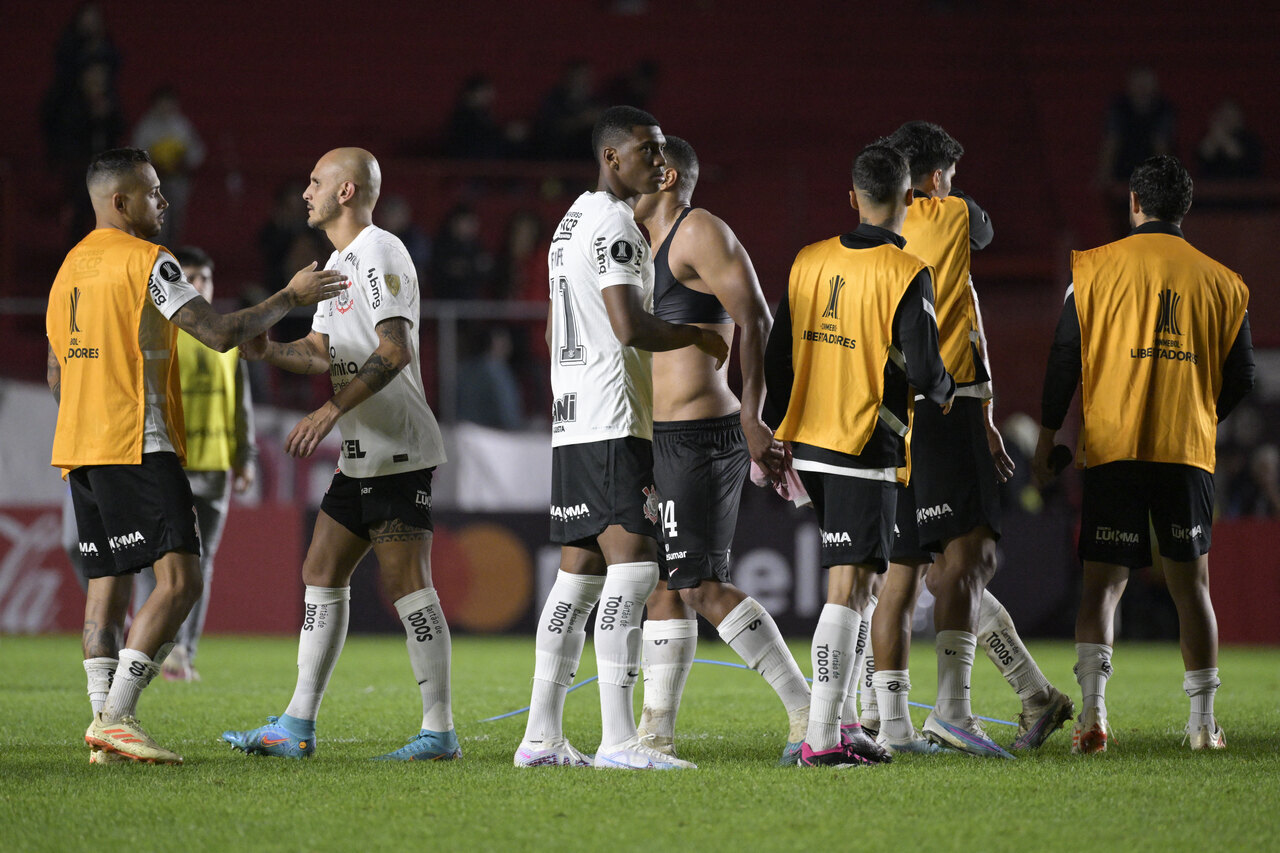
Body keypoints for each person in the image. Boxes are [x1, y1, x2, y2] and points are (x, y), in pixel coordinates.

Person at [46, 147, 346, 764]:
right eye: (153, 191)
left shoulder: (68, 269)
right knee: (180, 580)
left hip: (81, 447)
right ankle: (118, 716)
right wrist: (291, 295)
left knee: (107, 588)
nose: (163, 201)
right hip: (138, 440)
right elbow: (220, 334)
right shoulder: (151, 262)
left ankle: (103, 728)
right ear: (120, 202)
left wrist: (89, 411)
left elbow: (55, 370)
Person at [221, 148, 460, 761]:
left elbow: (395, 349)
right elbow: (322, 353)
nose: (305, 192)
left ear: (347, 191)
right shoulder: (337, 263)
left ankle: (439, 731)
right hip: (362, 451)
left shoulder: (380, 252)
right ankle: (296, 726)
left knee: (408, 583)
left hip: (398, 447)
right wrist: (269, 351)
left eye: (315, 181)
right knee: (321, 573)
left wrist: (330, 410)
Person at [513, 106, 727, 770]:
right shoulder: (617, 226)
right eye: (648, 151)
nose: (660, 165)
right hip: (611, 418)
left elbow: (554, 331)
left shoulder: (569, 222)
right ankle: (618, 740)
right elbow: (629, 325)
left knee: (575, 580)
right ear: (613, 159)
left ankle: (540, 736)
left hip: (572, 419)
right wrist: (696, 335)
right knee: (634, 571)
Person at [866, 121, 1073, 757]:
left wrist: (986, 415)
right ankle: (953, 711)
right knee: (969, 558)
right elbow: (984, 228)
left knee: (910, 571)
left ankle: (891, 717)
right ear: (932, 180)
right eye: (948, 177)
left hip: (895, 416)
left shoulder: (872, 237)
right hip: (942, 406)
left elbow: (962, 316)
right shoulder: (947, 213)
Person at [1035, 154, 1254, 753]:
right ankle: (1203, 725)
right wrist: (1202, 415)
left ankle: (1092, 717)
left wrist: (1050, 434)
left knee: (1102, 587)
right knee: (1193, 589)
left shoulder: (1096, 269)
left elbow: (1063, 359)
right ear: (1185, 209)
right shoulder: (1224, 282)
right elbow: (1244, 377)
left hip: (1114, 448)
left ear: (1134, 202)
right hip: (1185, 451)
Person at [764, 142, 955, 767]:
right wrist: (949, 390)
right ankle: (821, 737)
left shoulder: (807, 260)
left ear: (852, 198)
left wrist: (776, 431)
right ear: (908, 199)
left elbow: (778, 357)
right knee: (851, 589)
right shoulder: (908, 271)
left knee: (853, 585)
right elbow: (927, 370)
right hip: (861, 443)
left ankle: (840, 726)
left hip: (808, 443)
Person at [629, 136, 819, 766]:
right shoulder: (632, 241)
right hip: (654, 437)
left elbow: (757, 317)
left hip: (701, 435)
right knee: (664, 586)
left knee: (705, 586)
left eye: (637, 157)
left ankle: (808, 715)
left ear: (669, 172)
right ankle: (654, 737)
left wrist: (752, 413)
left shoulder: (699, 231)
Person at [131, 246, 257, 682]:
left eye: (205, 278)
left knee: (202, 565)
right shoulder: (158, 332)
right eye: (190, 277)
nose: (199, 285)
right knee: (157, 561)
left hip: (216, 467)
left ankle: (182, 653)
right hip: (170, 466)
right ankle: (147, 649)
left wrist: (245, 457)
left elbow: (240, 402)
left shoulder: (224, 336)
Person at [131, 86, 205, 245]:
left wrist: (182, 163)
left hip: (178, 181)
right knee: (156, 220)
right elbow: (136, 153)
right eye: (162, 103)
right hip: (154, 184)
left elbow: (196, 152)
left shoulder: (182, 126)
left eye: (169, 103)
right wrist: (153, 166)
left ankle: (172, 254)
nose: (166, 108)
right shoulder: (146, 127)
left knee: (176, 221)